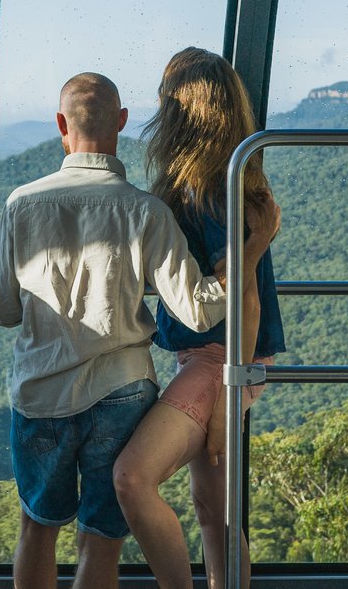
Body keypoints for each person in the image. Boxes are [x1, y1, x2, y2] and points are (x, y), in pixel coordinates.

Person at [0, 72, 244, 589]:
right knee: (102, 537)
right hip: (122, 390)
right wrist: (239, 269)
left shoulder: (22, 204)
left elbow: (5, 311)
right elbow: (194, 310)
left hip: (41, 392)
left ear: (60, 124)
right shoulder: (146, 210)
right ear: (122, 123)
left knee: (37, 529)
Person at [113, 48, 283, 589]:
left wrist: (224, 406)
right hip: (211, 358)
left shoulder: (213, 193)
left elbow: (246, 299)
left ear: (182, 111)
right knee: (214, 512)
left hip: (223, 361)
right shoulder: (209, 184)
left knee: (132, 477)